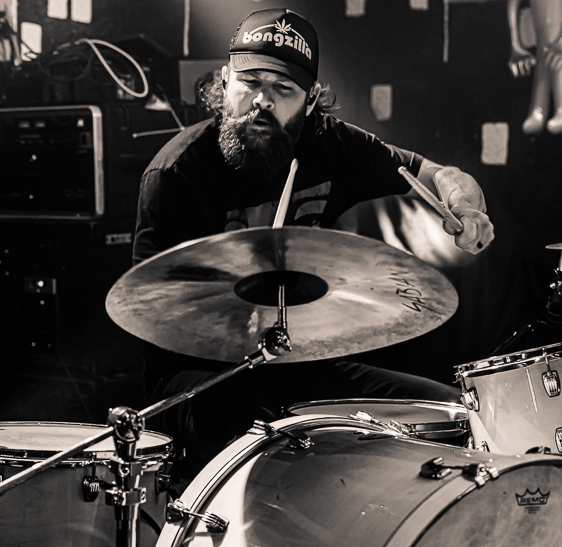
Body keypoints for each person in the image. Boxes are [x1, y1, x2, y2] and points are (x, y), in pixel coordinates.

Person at [133, 8, 495, 478]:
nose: (262, 100)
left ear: (309, 101)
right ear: (224, 81)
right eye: (250, 82)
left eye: (283, 89)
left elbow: (440, 175)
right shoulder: (177, 174)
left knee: (455, 416)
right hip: (200, 377)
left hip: (299, 364)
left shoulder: (330, 146)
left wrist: (465, 208)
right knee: (260, 437)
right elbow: (147, 311)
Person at [507, 0, 562, 136]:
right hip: (540, 31)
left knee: (555, 55)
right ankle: (540, 109)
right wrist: (515, 44)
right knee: (545, 53)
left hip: (561, 29)